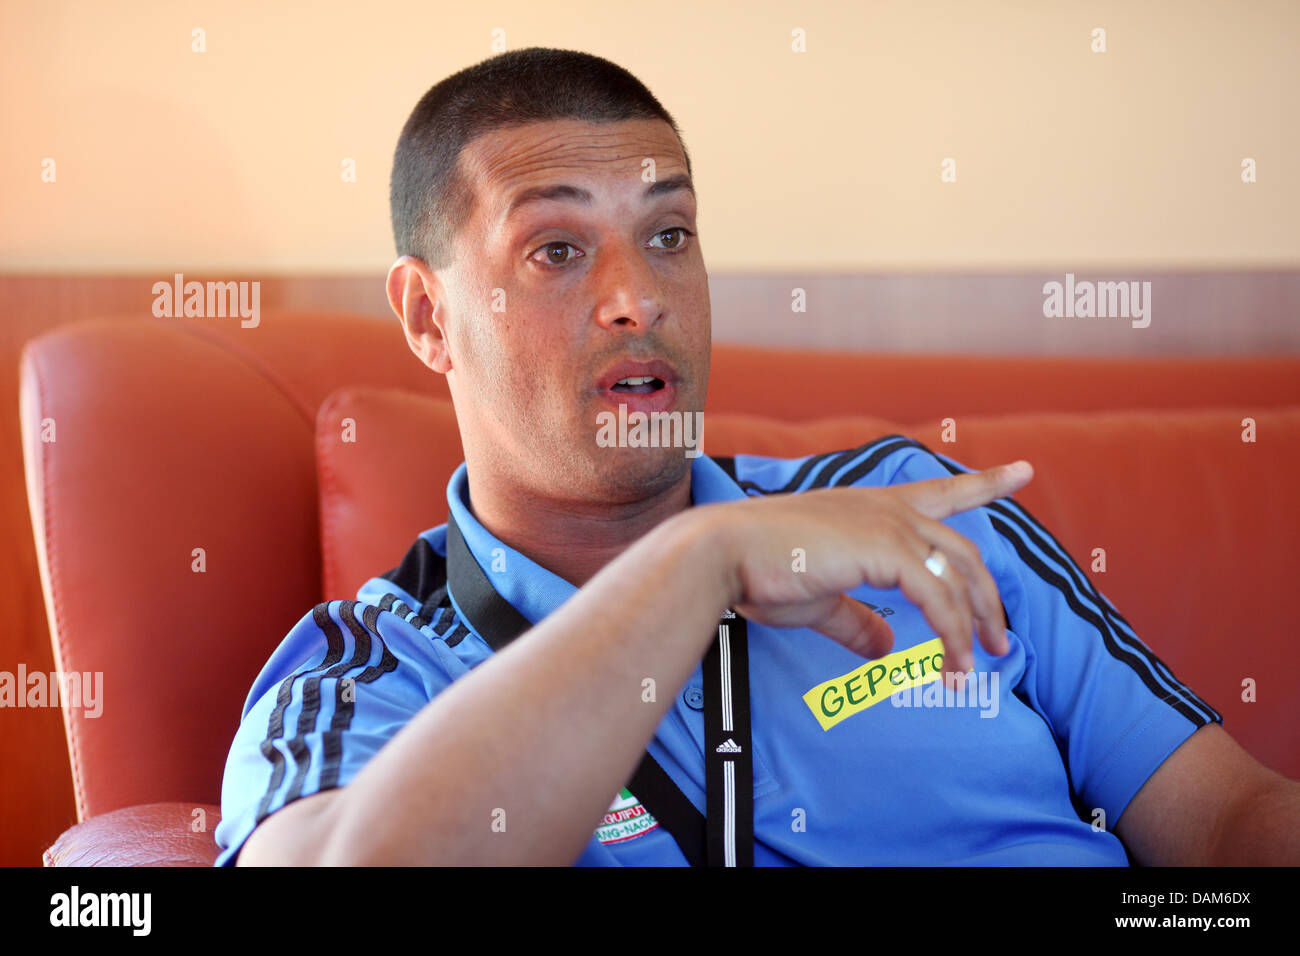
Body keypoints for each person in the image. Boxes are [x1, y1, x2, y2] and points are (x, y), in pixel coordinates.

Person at [214, 47, 1299, 867]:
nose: (637, 294)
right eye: (555, 249)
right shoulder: (369, 667)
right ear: (427, 315)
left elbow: (1231, 821)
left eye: (670, 233)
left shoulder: (915, 506)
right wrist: (698, 563)